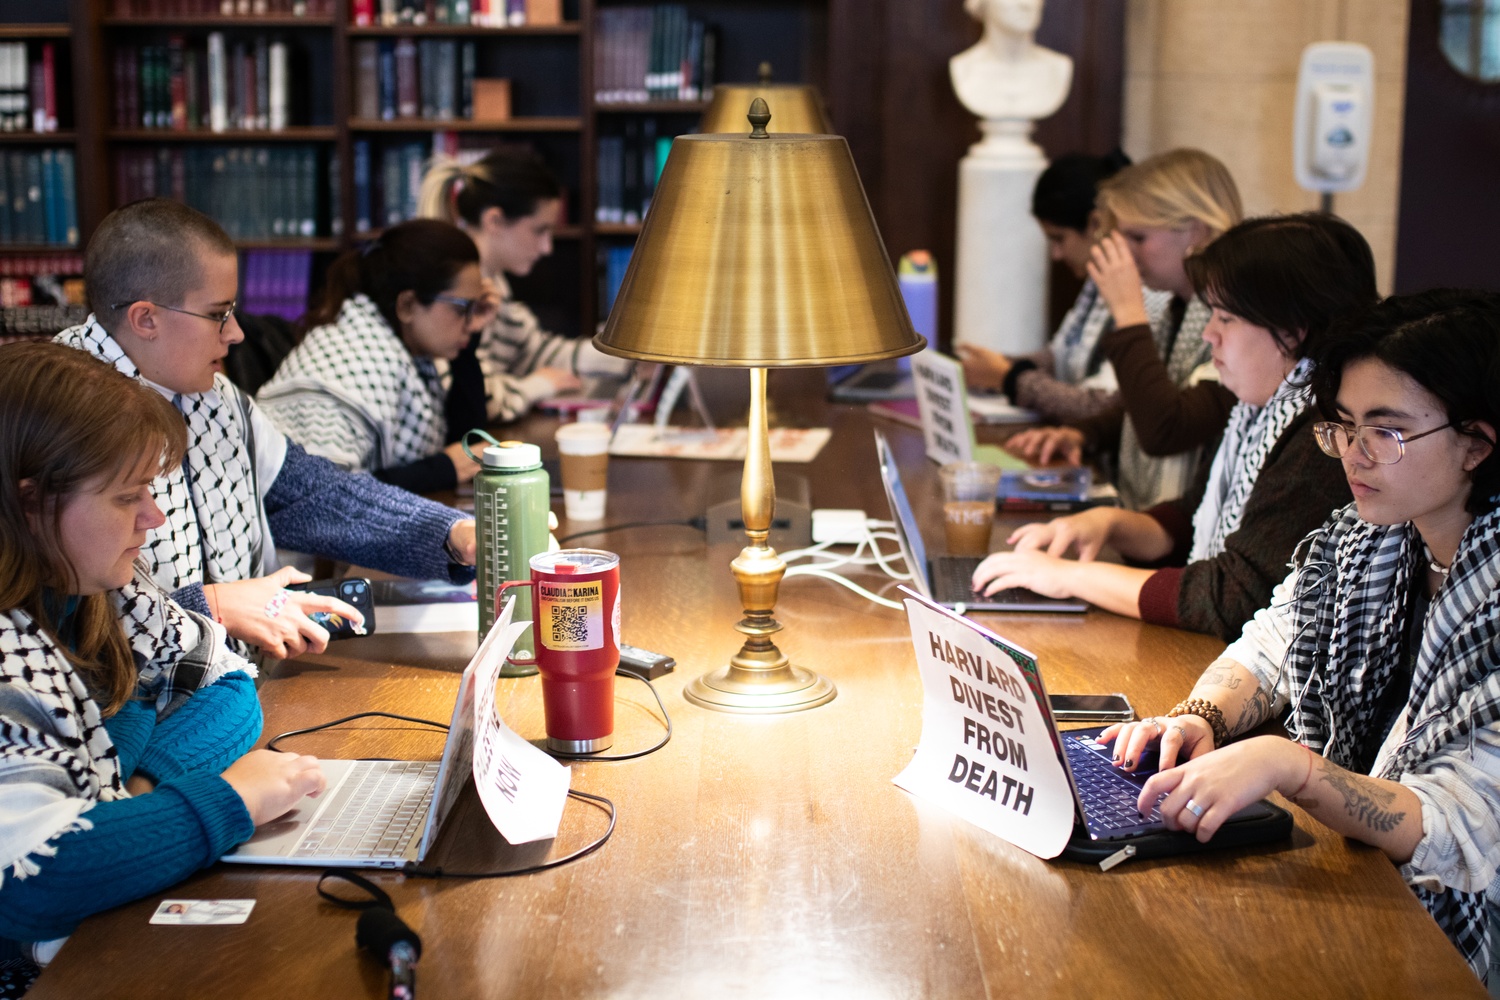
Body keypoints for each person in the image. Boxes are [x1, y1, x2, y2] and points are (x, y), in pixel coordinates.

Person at [1102, 290, 1500, 981]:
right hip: (1359, 883)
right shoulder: (1365, 536)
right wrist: (1201, 717)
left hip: (1454, 942)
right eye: (1343, 425)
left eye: (1387, 431)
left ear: (1476, 442)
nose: (1354, 454)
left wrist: (1293, 767)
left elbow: (1457, 826)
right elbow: (1279, 635)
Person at [0, 343, 326, 992]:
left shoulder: (96, 588)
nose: (154, 517)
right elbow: (36, 880)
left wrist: (137, 794)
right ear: (31, 504)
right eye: (127, 497)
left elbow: (227, 682)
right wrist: (231, 798)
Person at [55, 199, 478, 659]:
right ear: (146, 318)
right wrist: (210, 607)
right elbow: (59, 622)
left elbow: (312, 494)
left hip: (239, 680)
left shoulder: (214, 395)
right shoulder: (59, 413)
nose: (236, 333)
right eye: (218, 314)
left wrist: (452, 535)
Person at [972, 214, 1376, 640]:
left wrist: (1069, 577)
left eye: (1226, 318)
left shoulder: (1323, 441)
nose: (1208, 334)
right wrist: (1108, 522)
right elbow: (1190, 515)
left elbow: (1232, 597)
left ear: (1291, 332)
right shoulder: (1258, 410)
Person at [1007, 148, 1243, 510]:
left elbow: (1167, 428)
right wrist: (1084, 434)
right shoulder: (1179, 308)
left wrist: (1129, 312)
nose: (1127, 253)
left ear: (1197, 231)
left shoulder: (1238, 320)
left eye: (1138, 238)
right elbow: (1143, 404)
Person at [258, 219, 500, 493]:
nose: (470, 321)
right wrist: (440, 470)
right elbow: (324, 496)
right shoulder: (354, 355)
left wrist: (468, 341)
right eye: (463, 308)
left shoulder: (404, 352)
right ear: (407, 305)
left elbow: (467, 443)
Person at [416, 148, 630, 431]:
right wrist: (536, 386)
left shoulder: (496, 284)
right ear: (494, 221)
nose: (547, 247)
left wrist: (628, 355)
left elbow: (538, 351)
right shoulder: (461, 296)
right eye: (539, 230)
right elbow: (482, 396)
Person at [958, 150, 1172, 423]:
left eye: (1059, 238)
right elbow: (1064, 356)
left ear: (1096, 223)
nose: (1055, 255)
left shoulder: (1148, 290)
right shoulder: (1098, 277)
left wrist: (1007, 377)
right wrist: (998, 366)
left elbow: (1106, 404)